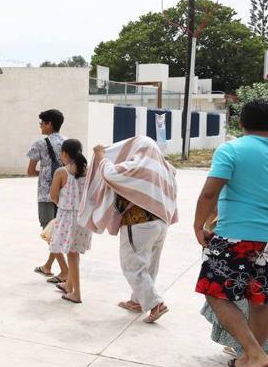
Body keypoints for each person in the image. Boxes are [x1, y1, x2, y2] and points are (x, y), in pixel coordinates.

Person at [194, 99, 268, 367]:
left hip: (234, 237)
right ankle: (249, 358)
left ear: (241, 123)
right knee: (261, 300)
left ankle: (255, 354)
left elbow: (209, 194)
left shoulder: (232, 150)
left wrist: (198, 225)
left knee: (215, 292)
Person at [87, 139, 176, 323]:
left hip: (139, 223)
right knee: (149, 265)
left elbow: (110, 174)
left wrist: (101, 156)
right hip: (160, 223)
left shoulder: (137, 167)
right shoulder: (165, 170)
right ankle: (138, 301)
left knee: (132, 266)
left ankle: (155, 304)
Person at [48, 139, 91, 303]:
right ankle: (69, 286)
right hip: (83, 217)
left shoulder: (62, 172)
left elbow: (53, 195)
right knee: (75, 253)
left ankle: (76, 293)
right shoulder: (87, 171)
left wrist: (63, 203)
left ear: (65, 154)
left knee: (71, 254)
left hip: (68, 217)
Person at [28, 109, 66, 276]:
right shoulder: (68, 142)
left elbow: (30, 171)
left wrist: (44, 174)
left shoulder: (40, 143)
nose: (40, 127)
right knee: (57, 230)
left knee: (49, 232)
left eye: (42, 123)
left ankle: (65, 271)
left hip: (46, 193)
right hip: (64, 193)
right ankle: (48, 266)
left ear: (49, 124)